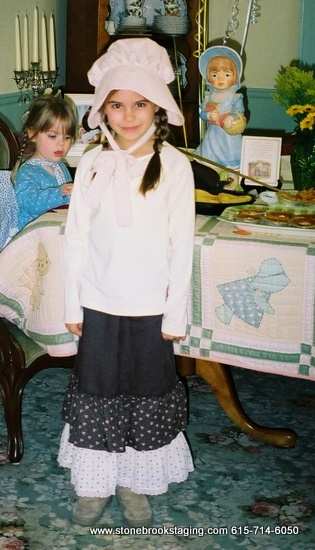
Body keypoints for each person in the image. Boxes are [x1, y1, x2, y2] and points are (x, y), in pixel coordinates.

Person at [57, 37, 195, 528]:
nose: (128, 114)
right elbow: (75, 239)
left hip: (151, 308)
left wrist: (176, 312)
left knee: (146, 391)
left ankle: (134, 481)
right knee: (96, 390)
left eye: (139, 103)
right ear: (103, 110)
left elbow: (182, 245)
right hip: (97, 302)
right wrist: (72, 303)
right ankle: (95, 484)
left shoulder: (175, 167)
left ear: (157, 106)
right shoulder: (93, 162)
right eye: (116, 104)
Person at [12, 95, 77, 231]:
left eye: (67, 137)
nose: (61, 143)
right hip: (33, 236)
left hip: (57, 228)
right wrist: (59, 193)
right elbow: (28, 202)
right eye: (53, 136)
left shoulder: (60, 166)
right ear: (32, 133)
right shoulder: (27, 171)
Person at [195, 45, 247, 189]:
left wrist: (231, 117)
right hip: (213, 134)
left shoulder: (235, 97)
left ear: (235, 76)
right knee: (211, 157)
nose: (220, 79)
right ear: (208, 77)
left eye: (227, 74)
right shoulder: (209, 96)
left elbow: (240, 112)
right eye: (215, 75)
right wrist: (208, 114)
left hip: (229, 135)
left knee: (230, 156)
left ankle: (232, 179)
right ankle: (212, 178)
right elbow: (202, 113)